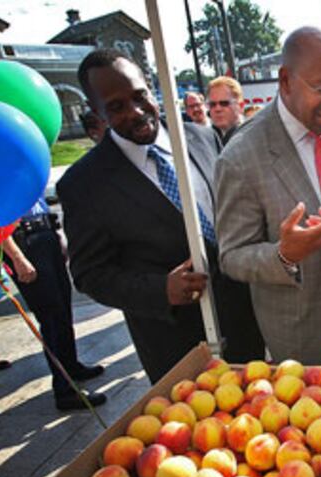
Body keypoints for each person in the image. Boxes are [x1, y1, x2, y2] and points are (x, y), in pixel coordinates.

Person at [57, 49, 264, 383]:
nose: (136, 112)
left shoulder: (200, 137)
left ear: (151, 86)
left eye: (140, 96)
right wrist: (159, 290)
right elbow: (89, 274)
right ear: (96, 112)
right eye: (116, 107)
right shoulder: (83, 184)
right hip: (175, 346)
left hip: (244, 324)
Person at [214, 27, 321, 366]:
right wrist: (284, 255)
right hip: (302, 328)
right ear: (286, 81)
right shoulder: (241, 157)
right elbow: (231, 255)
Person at [1, 198, 106, 410]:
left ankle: (71, 366)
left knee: (63, 310)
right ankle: (64, 390)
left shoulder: (23, 168)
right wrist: (17, 257)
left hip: (44, 234)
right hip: (24, 242)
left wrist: (54, 233)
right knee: (51, 317)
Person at [207, 76, 245, 145]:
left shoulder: (251, 136)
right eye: (212, 104)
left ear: (240, 106)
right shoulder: (206, 141)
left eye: (224, 103)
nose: (217, 109)